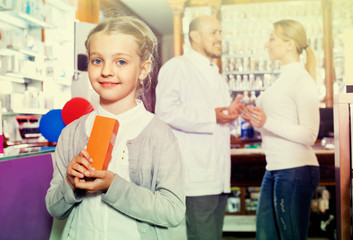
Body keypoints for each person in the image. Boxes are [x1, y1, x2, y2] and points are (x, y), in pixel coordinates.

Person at [45, 15, 185, 240]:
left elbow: (172, 211)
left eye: (121, 61)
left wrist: (113, 186)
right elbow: (54, 208)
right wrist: (70, 184)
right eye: (97, 60)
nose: (106, 71)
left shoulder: (158, 134)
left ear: (143, 69)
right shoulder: (71, 133)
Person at [155, 15, 245, 240]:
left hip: (219, 177)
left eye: (220, 32)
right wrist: (212, 116)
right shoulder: (177, 67)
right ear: (194, 36)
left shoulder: (215, 72)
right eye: (213, 32)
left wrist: (231, 115)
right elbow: (164, 112)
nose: (219, 38)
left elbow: (218, 118)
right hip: (196, 176)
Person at [242, 19, 320, 240]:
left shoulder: (302, 80)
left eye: (272, 38)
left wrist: (266, 121)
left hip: (294, 169)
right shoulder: (282, 80)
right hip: (275, 168)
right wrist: (255, 119)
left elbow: (309, 134)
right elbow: (272, 126)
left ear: (289, 44)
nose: (267, 44)